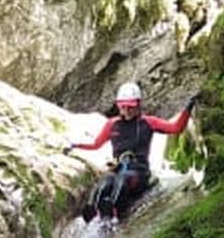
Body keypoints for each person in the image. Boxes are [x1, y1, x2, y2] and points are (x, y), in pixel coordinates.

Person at [64, 82, 197, 224]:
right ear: (118, 105)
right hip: (118, 168)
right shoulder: (112, 124)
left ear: (138, 105)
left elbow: (176, 128)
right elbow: (96, 144)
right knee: (105, 183)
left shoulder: (149, 122)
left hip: (139, 171)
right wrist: (74, 146)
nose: (126, 110)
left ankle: (113, 213)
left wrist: (188, 107)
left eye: (130, 107)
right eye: (123, 106)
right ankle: (94, 212)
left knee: (123, 181)